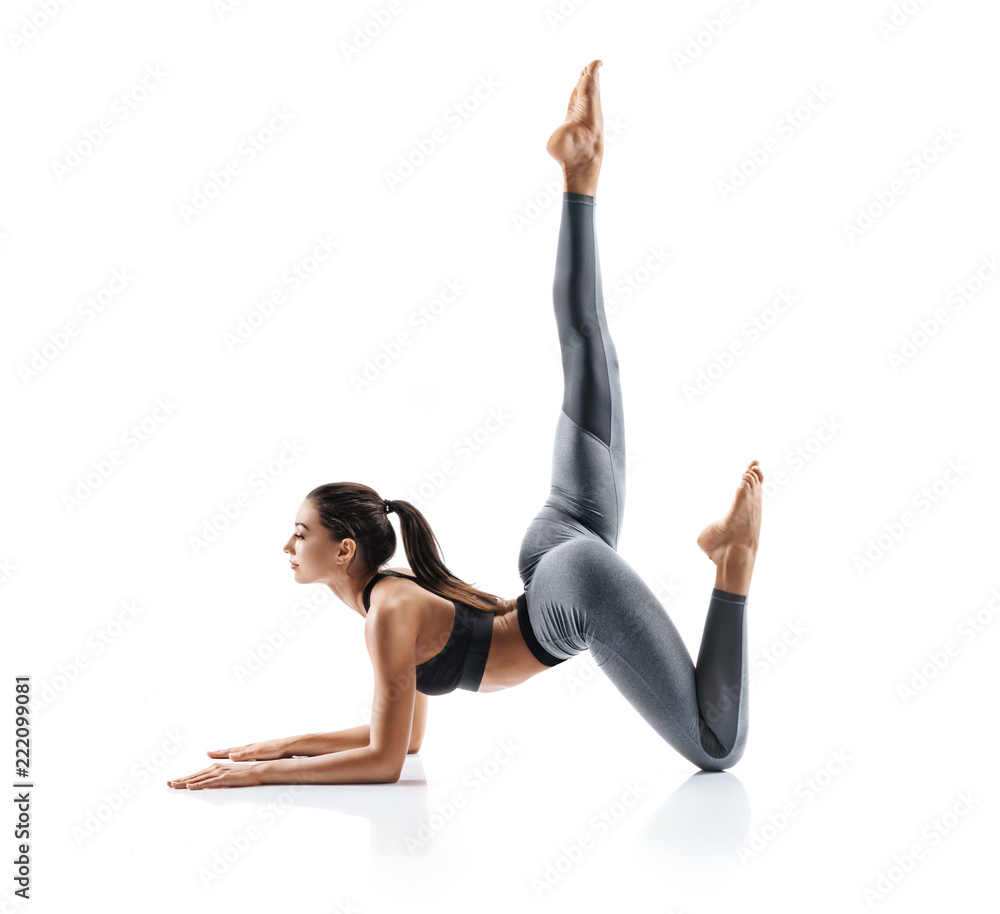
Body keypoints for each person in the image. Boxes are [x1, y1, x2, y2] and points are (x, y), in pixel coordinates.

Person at [167, 59, 763, 791]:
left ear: (345, 548)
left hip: (567, 583)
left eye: (301, 532)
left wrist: (263, 778)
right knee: (589, 350)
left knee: (716, 747)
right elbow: (406, 737)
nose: (287, 544)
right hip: (558, 548)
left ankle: (733, 561)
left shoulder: (387, 615)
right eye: (296, 531)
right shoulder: (389, 603)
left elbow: (386, 762)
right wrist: (280, 746)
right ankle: (580, 173)